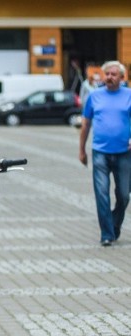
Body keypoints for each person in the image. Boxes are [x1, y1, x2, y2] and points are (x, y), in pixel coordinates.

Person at [78, 60, 131, 246]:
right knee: (102, 194)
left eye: (113, 74)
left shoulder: (129, 95)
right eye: (106, 74)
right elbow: (85, 124)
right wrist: (82, 150)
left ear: (122, 77)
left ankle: (114, 224)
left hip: (124, 152)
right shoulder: (95, 96)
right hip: (100, 151)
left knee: (124, 195)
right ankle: (107, 234)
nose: (108, 77)